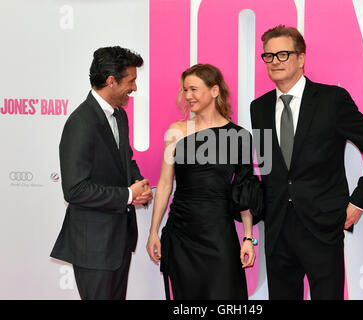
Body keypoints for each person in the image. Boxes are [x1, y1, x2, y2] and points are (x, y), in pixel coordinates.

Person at [250, 25, 363, 300]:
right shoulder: (260, 107)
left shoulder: (332, 100)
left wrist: (358, 202)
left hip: (323, 226)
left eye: (283, 54)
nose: (275, 61)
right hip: (277, 230)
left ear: (301, 58)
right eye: (268, 56)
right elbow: (269, 166)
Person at [146, 64, 262, 300]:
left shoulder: (239, 137)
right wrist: (153, 232)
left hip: (218, 232)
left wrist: (248, 237)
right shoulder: (176, 132)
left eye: (194, 89)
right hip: (181, 232)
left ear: (215, 90)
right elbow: (165, 185)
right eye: (185, 90)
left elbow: (244, 191)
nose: (188, 96)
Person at [50, 46, 153, 300]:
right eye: (131, 81)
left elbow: (125, 159)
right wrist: (128, 195)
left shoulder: (119, 115)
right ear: (111, 81)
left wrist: (138, 183)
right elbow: (75, 189)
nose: (135, 89)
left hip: (118, 241)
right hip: (93, 247)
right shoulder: (81, 122)